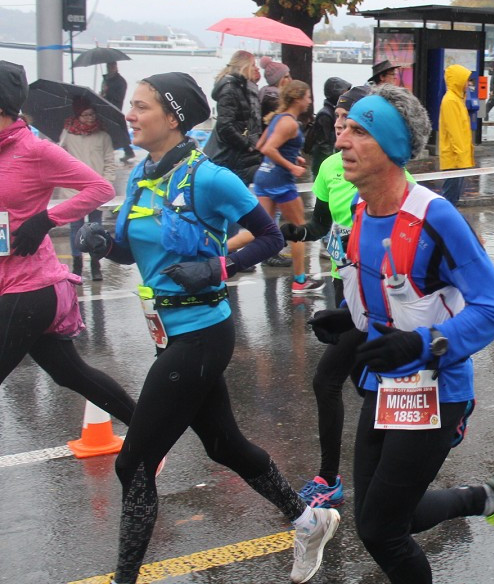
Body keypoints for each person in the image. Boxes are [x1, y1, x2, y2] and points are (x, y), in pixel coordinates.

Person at [75, 72, 339, 584]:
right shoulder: (142, 175)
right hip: (167, 332)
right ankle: (310, 521)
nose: (129, 114)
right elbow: (133, 249)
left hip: (201, 334)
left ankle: (124, 579)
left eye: (141, 106)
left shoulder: (209, 178)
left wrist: (218, 267)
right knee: (224, 446)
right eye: (131, 105)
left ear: (173, 118)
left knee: (133, 464)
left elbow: (268, 238)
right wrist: (103, 242)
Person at [326, 84, 494, 582]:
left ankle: (488, 496)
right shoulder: (358, 210)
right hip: (383, 387)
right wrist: (353, 327)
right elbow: (390, 299)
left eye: (358, 131)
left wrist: (424, 344)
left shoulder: (434, 216)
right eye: (343, 129)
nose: (341, 142)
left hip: (437, 392)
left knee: (380, 530)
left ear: (391, 147)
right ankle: (489, 497)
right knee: (384, 516)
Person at [281, 85, 419, 510]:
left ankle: (333, 477)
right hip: (349, 290)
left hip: (386, 299)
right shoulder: (328, 168)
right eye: (339, 119)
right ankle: (393, 461)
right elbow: (321, 224)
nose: (340, 128)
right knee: (364, 383)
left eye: (353, 122)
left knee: (331, 379)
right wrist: (293, 234)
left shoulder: (398, 183)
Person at [0, 60, 136, 436]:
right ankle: (148, 433)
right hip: (5, 279)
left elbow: (101, 189)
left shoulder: (35, 150)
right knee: (69, 374)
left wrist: (46, 219)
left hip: (30, 285)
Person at [249, 80, 322, 293]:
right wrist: (291, 166)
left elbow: (261, 144)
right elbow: (269, 149)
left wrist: (294, 156)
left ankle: (224, 256)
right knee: (299, 229)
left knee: (263, 230)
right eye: (308, 96)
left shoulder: (277, 118)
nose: (309, 101)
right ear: (298, 98)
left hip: (263, 178)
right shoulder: (289, 123)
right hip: (280, 182)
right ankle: (300, 280)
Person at [59, 99, 118, 281]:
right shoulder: (67, 135)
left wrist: (106, 182)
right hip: (73, 190)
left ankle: (95, 264)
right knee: (76, 228)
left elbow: (110, 162)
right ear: (78, 116)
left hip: (97, 190)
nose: (89, 118)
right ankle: (77, 266)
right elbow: (58, 158)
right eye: (85, 114)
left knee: (96, 228)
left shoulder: (103, 136)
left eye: (92, 114)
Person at [205, 50, 263, 185]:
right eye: (253, 64)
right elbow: (225, 125)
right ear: (244, 66)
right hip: (231, 155)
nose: (257, 68)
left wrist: (254, 82)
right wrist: (246, 144)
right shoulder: (230, 88)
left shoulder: (241, 86)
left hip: (237, 155)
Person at [438, 64, 474, 207]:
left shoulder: (457, 99)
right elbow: (455, 132)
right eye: (466, 80)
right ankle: (443, 225)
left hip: (458, 158)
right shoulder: (451, 101)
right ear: (458, 81)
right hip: (454, 159)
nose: (468, 84)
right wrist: (461, 156)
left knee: (453, 196)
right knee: (450, 198)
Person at [303, 76, 352, 179]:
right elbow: (323, 144)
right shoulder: (325, 114)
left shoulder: (334, 112)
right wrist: (332, 162)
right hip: (322, 163)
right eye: (344, 93)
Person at [101, 61, 136, 162]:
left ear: (116, 66)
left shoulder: (120, 81)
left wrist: (108, 91)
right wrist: (103, 93)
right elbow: (104, 94)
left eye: (112, 65)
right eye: (109, 65)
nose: (110, 68)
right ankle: (127, 152)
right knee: (112, 132)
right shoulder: (105, 79)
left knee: (120, 132)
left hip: (115, 109)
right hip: (105, 108)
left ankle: (128, 151)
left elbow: (119, 97)